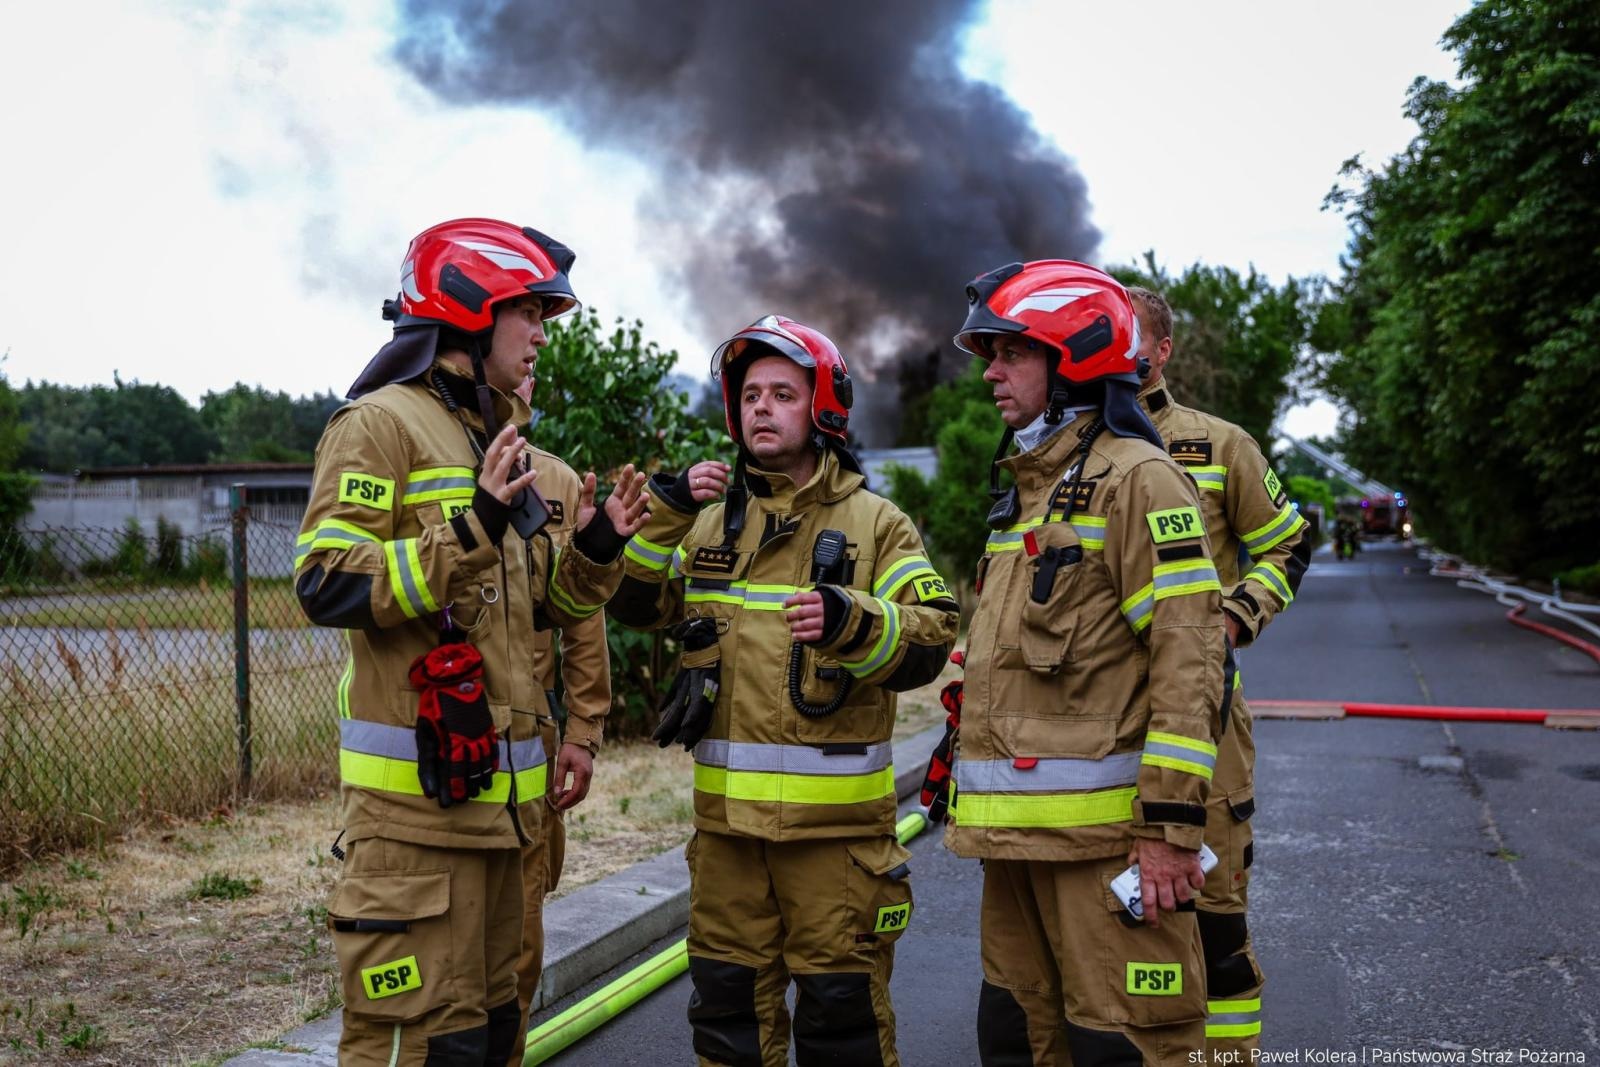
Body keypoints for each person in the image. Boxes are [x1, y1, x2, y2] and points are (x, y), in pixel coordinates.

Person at [295, 217, 648, 1066]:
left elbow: (529, 615)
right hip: (416, 828)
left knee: (490, 1042)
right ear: (471, 308)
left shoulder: (495, 438)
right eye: (530, 313)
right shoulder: (379, 425)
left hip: (503, 828)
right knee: (417, 1048)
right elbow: (325, 579)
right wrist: (474, 524)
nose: (540, 335)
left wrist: (596, 551)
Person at [609, 315, 960, 1067]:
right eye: (750, 395)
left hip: (835, 851)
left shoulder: (876, 524)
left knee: (843, 1032)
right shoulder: (706, 525)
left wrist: (851, 619)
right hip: (728, 846)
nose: (761, 407)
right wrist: (667, 508)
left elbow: (933, 635)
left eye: (783, 393)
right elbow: (635, 604)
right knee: (729, 1025)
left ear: (824, 407)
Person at [938, 261, 1228, 1066]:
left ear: (1072, 356)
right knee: (1015, 1040)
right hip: (1014, 849)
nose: (990, 371)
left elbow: (1190, 657)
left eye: (1008, 352)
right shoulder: (1028, 489)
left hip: (1104, 853)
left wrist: (1170, 830)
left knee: (1121, 1046)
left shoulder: (1139, 479)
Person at [1129, 286, 1311, 1056]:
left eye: (1130, 334)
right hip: (1093, 726)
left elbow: (1288, 543)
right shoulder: (1055, 453)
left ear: (1163, 350)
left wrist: (1237, 615)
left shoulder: (1216, 444)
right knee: (1121, 928)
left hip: (1204, 724)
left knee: (1215, 924)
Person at [505, 374, 616, 1064]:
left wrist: (582, 732)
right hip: (437, 740)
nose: (527, 375)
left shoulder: (555, 480)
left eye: (532, 371)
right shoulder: (419, 459)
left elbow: (583, 620)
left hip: (528, 743)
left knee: (519, 948)